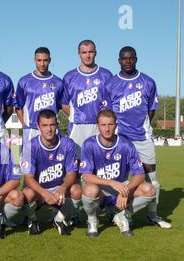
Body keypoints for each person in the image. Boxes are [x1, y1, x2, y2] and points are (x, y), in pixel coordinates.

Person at [104, 46, 171, 229]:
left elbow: (151, 110)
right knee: (120, 180)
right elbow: (108, 113)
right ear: (119, 60)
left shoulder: (148, 82)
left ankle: (152, 215)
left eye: (131, 58)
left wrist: (140, 128)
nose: (127, 61)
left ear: (136, 59)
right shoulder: (110, 84)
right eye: (124, 58)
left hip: (142, 139)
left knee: (152, 180)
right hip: (120, 140)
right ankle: (115, 211)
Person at [80, 109, 156, 237]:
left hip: (121, 185)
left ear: (116, 124)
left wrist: (126, 190)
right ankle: (92, 220)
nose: (107, 128)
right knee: (90, 190)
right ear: (97, 126)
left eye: (110, 124)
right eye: (103, 125)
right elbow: (86, 175)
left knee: (150, 189)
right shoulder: (89, 144)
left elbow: (140, 175)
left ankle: (122, 215)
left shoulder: (126, 145)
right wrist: (111, 183)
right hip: (100, 189)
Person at [20, 110, 81, 236]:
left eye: (52, 125)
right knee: (27, 193)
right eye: (45, 125)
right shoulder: (30, 146)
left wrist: (63, 188)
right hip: (39, 191)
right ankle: (32, 220)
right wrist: (44, 193)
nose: (49, 129)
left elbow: (72, 174)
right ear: (38, 127)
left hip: (58, 188)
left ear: (57, 125)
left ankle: (58, 219)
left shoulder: (67, 144)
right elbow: (29, 179)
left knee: (77, 190)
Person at [62, 40, 112, 156]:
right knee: (76, 163)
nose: (87, 55)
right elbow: (64, 103)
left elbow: (111, 103)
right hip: (77, 126)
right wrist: (76, 115)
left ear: (96, 53)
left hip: (99, 126)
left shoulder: (106, 75)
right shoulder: (69, 76)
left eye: (91, 52)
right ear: (78, 54)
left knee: (100, 161)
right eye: (84, 52)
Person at [15, 47, 64, 142]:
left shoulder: (59, 82)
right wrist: (24, 125)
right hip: (32, 129)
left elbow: (61, 105)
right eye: (39, 60)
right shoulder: (24, 81)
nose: (42, 64)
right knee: (28, 156)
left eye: (45, 60)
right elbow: (18, 106)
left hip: (51, 129)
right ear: (34, 60)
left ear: (50, 60)